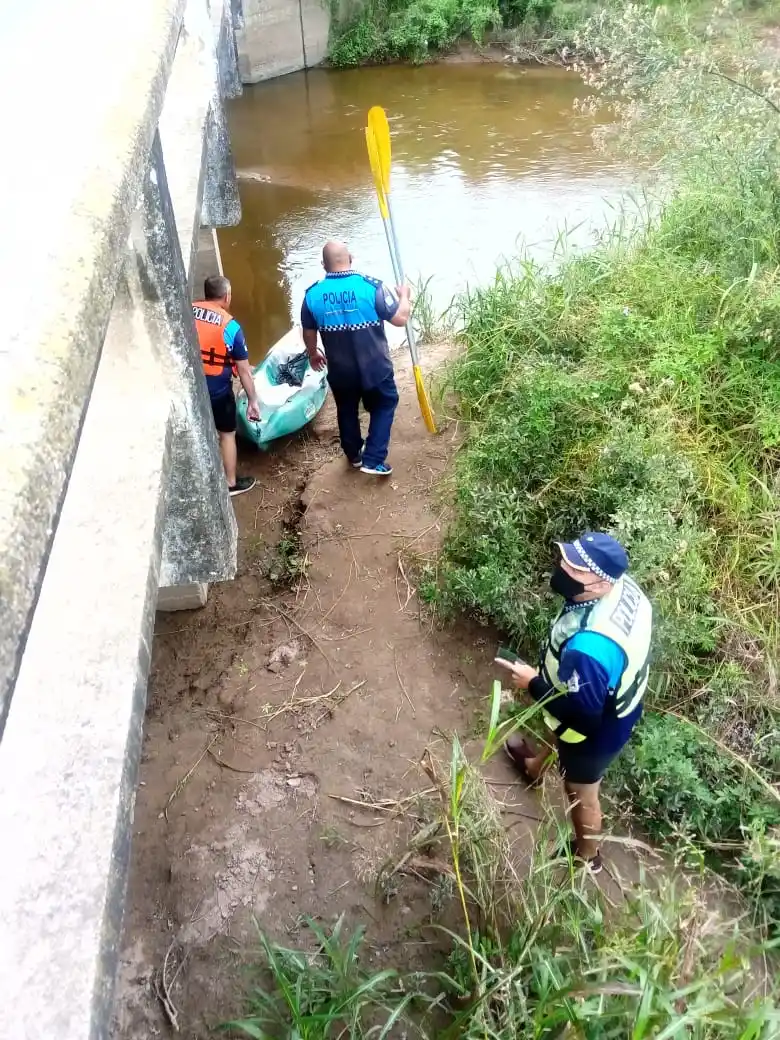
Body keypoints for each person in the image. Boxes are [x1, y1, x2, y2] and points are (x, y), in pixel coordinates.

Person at [495, 533, 652, 874]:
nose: (563, 568)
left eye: (576, 569)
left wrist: (533, 683)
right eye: (566, 560)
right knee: (562, 730)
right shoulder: (623, 587)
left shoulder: (589, 649)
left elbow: (582, 720)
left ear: (598, 585)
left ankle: (587, 857)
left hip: (600, 725)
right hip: (611, 693)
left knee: (580, 789)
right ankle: (535, 767)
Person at [300, 240, 411, 476]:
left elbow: (308, 331)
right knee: (384, 403)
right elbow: (400, 318)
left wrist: (312, 353)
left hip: (340, 369)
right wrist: (404, 296)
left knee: (346, 407)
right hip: (375, 367)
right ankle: (373, 458)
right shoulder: (371, 287)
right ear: (351, 257)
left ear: (323, 264)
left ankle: (354, 455)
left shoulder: (312, 296)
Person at [193, 275, 259, 497]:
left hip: (190, 387)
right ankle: (230, 483)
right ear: (227, 296)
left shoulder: (186, 311)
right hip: (217, 392)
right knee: (227, 434)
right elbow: (243, 370)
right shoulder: (230, 326)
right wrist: (253, 401)